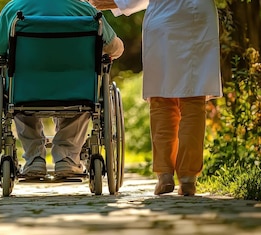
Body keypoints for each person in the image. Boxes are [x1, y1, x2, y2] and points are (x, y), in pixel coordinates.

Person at [89, 0, 222, 196]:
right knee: (193, 99)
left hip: (163, 21)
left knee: (161, 99)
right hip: (197, 18)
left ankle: (164, 175)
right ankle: (187, 179)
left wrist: (106, 3)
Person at [0, 0, 124, 179]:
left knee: (15, 93)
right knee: (85, 98)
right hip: (77, 88)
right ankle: (67, 158)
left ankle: (35, 158)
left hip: (27, 88)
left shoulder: (14, 7)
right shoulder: (85, 9)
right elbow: (114, 47)